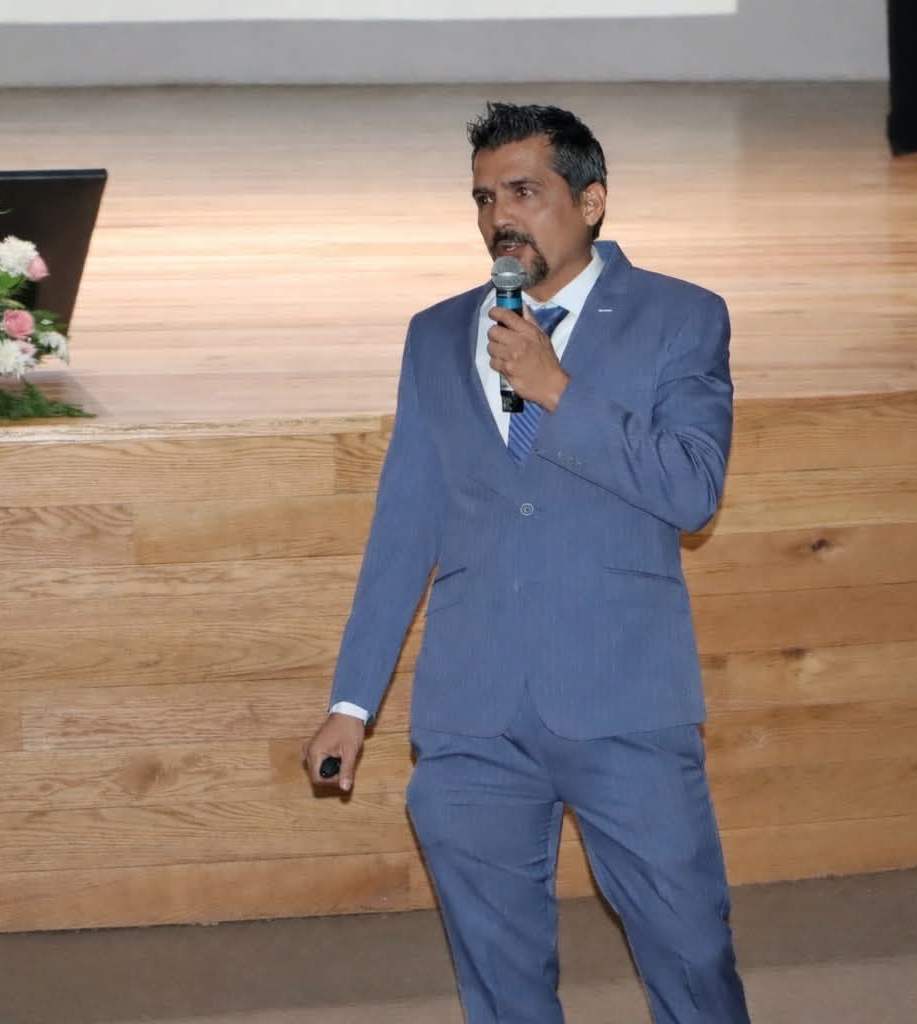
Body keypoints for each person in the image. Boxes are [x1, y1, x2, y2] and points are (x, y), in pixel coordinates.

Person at [303, 102, 750, 1023]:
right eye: (483, 198)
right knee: (500, 983)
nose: (499, 216)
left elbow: (692, 490)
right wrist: (352, 703)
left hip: (624, 700)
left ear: (590, 201)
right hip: (471, 712)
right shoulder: (436, 333)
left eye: (523, 192)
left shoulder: (681, 316)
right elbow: (405, 525)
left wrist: (555, 389)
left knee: (691, 956)